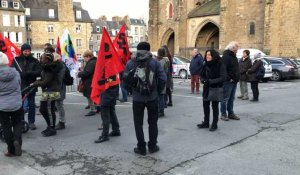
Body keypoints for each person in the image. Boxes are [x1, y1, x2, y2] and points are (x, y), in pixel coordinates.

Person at [123, 42, 167, 155]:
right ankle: (152, 146)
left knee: (138, 123)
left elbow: (125, 79)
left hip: (137, 98)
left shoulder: (130, 62)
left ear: (137, 50)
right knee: (153, 122)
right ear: (149, 50)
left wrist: (131, 90)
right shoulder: (155, 62)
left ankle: (141, 147)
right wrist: (156, 91)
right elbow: (163, 79)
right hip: (152, 97)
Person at [31, 52, 62, 136]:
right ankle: (49, 125)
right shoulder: (45, 67)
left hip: (52, 91)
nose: (40, 59)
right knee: (42, 109)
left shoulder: (50, 68)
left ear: (47, 59)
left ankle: (52, 128)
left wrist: (36, 83)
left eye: (42, 58)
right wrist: (37, 81)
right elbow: (43, 79)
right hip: (47, 91)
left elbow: (46, 82)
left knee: (49, 110)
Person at [12, 44, 41, 130]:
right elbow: (12, 70)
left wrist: (29, 73)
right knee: (20, 105)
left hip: (31, 85)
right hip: (20, 85)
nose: (27, 52)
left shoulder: (35, 61)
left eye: (28, 51)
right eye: (25, 51)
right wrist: (19, 74)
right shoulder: (16, 60)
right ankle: (21, 122)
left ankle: (31, 122)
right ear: (22, 51)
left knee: (31, 104)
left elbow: (39, 72)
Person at [0, 52, 23, 157]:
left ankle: (11, 149)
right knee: (17, 123)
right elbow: (19, 84)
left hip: (2, 105)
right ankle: (17, 140)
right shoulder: (16, 73)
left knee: (6, 127)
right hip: (16, 103)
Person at [198, 50, 226, 131]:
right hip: (206, 87)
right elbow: (202, 74)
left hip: (215, 88)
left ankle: (214, 124)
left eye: (209, 55)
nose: (207, 56)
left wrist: (211, 81)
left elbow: (223, 77)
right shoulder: (205, 64)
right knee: (205, 105)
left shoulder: (220, 64)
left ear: (213, 56)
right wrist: (202, 80)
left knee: (214, 106)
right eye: (206, 55)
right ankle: (206, 122)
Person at [220, 41, 240, 121]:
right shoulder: (226, 56)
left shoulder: (233, 56)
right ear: (232, 48)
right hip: (228, 81)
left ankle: (231, 113)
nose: (238, 49)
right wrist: (229, 78)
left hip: (234, 81)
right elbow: (223, 69)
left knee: (231, 98)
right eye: (237, 48)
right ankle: (223, 114)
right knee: (225, 98)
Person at [78, 50, 97, 116]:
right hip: (91, 81)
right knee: (92, 95)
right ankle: (97, 108)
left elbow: (87, 72)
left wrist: (79, 74)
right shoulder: (93, 61)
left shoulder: (91, 63)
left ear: (88, 56)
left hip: (90, 81)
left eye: (84, 57)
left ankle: (93, 110)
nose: (84, 58)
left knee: (90, 96)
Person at [53, 53, 67, 130]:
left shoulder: (60, 66)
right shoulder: (59, 65)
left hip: (59, 88)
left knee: (59, 105)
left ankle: (62, 122)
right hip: (58, 87)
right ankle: (61, 121)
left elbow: (59, 78)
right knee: (58, 104)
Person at [156, 48, 169, 117]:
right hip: (164, 79)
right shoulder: (166, 60)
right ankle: (161, 110)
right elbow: (166, 70)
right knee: (161, 96)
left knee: (160, 96)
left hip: (159, 80)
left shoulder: (159, 61)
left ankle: (160, 111)